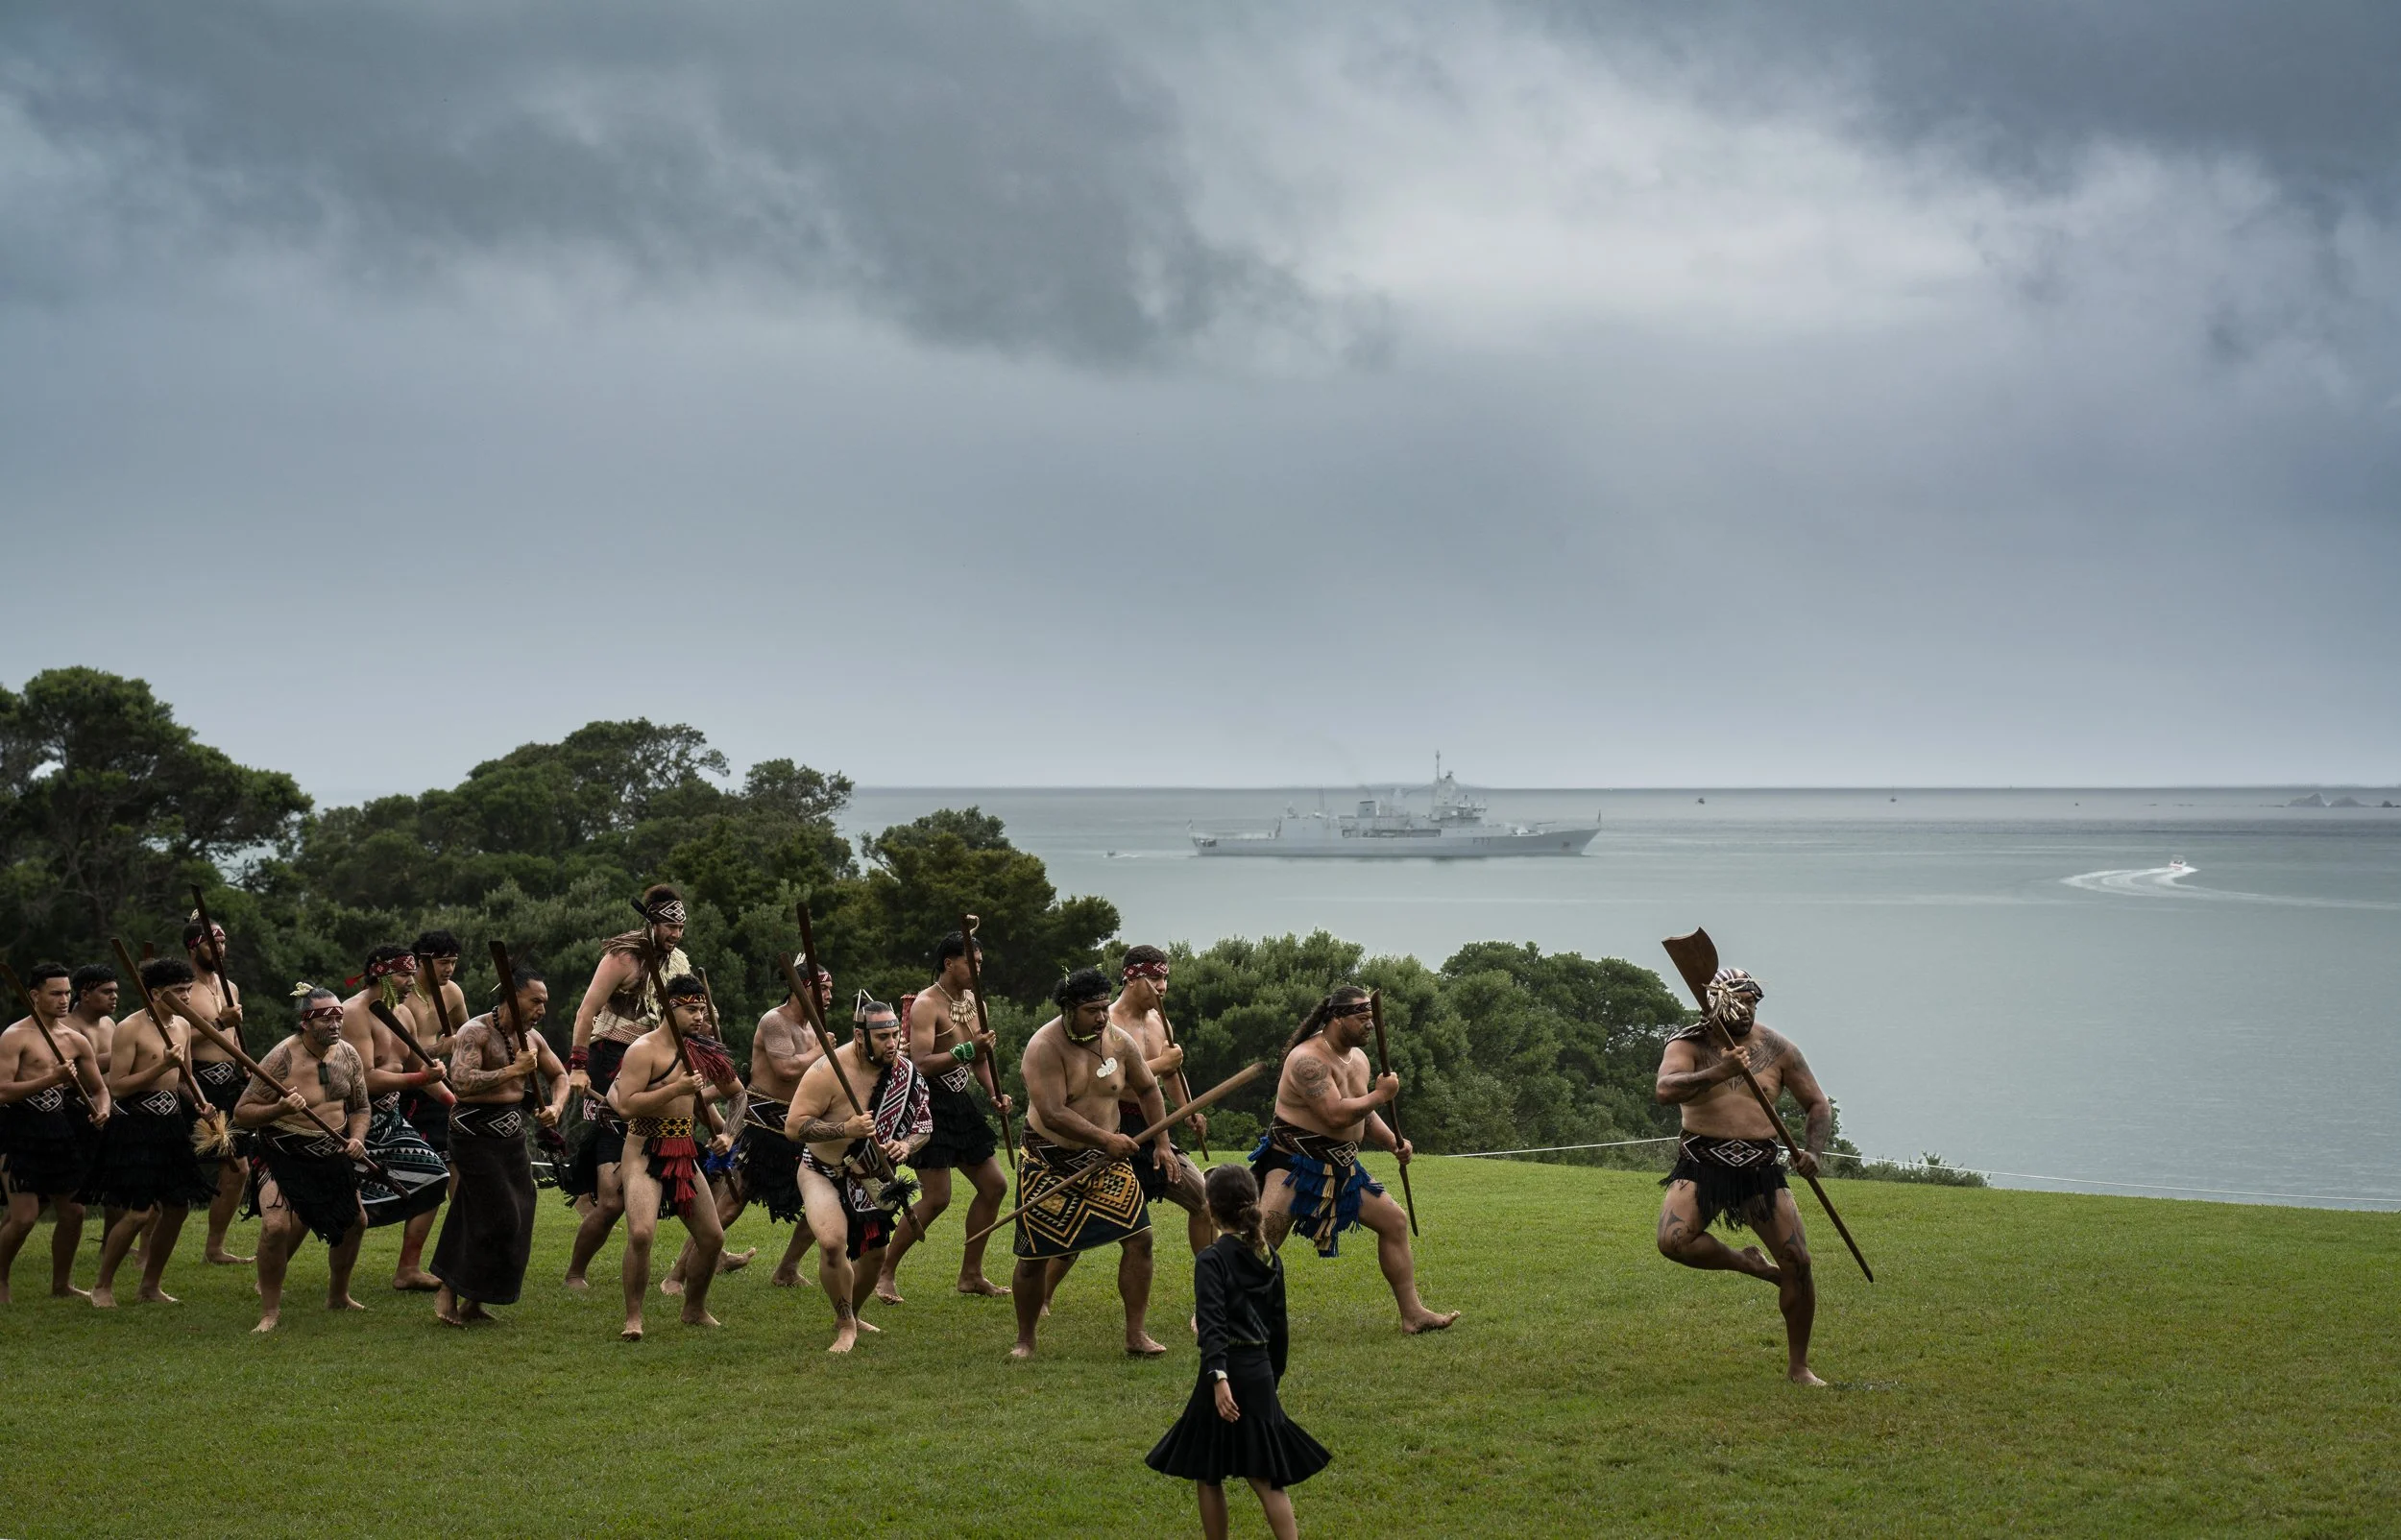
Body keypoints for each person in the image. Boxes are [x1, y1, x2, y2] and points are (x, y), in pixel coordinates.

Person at [1652, 965, 1833, 1386]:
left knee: (1799, 1263)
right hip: (1701, 1163)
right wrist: (1720, 1071)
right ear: (1716, 1004)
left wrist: (1813, 1153)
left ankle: (1799, 1367)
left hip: (1761, 1169)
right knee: (1673, 1242)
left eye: (1753, 1002)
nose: (1749, 1011)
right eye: (1740, 1003)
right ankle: (1748, 1264)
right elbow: (1665, 1090)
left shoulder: (1779, 1048)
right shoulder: (1689, 1043)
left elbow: (1818, 1105)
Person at [1253, 986, 1455, 1335]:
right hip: (1292, 1165)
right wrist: (1380, 1095)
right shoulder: (1308, 1061)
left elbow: (1361, 1113)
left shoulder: (1357, 1059)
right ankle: (1213, 1312)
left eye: (1372, 1020)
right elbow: (1334, 1115)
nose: (1370, 1027)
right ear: (1336, 1019)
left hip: (1342, 1168)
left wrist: (1394, 1142)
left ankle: (1413, 1314)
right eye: (1362, 1019)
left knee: (1394, 1222)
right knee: (1261, 1240)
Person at [1147, 1164, 1331, 1540]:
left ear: (1211, 1209)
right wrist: (1271, 1377)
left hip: (1223, 1375)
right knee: (1265, 1476)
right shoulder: (1270, 1259)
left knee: (1208, 1470)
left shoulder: (1211, 1259)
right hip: (1259, 1371)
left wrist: (1219, 1377)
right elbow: (1278, 1327)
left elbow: (1213, 1324)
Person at [1008, 967, 1169, 1360]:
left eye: (1104, 1008)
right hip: (1048, 1161)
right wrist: (1107, 1139)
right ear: (1068, 1009)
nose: (1101, 1017)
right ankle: (1025, 1339)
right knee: (1032, 1259)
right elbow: (1051, 1112)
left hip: (1104, 1161)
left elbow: (1148, 1088)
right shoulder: (1044, 1046)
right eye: (1091, 1010)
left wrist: (1162, 1142)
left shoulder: (1119, 1041)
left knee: (1140, 1238)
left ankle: (1136, 1335)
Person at [782, 993, 930, 1352]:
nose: (892, 1044)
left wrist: (906, 1146)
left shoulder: (906, 1073)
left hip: (872, 1176)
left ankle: (853, 1312)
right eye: (883, 1037)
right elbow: (794, 1127)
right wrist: (844, 1129)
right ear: (860, 1036)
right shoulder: (827, 1071)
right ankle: (845, 1322)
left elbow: (924, 1124)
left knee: (875, 1256)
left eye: (895, 1035)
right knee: (833, 1245)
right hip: (822, 1170)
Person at [562, 884, 691, 1291]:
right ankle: (575, 1273)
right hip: (610, 1060)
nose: (675, 934)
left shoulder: (679, 961)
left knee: (681, 1163)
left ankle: (707, 1248)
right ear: (651, 922)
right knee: (613, 1198)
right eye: (669, 926)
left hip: (657, 1063)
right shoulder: (623, 957)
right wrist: (579, 1067)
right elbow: (587, 1010)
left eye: (680, 927)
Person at [876, 929, 1015, 1304]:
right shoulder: (926, 1004)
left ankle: (971, 1275)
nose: (977, 969)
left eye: (981, 963)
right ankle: (883, 1272)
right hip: (927, 1103)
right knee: (937, 1198)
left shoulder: (973, 1000)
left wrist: (992, 1094)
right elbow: (921, 1062)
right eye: (972, 962)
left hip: (960, 1102)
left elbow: (982, 1059)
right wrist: (970, 1048)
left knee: (995, 1186)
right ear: (950, 962)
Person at [429, 967, 570, 1325]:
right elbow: (460, 1083)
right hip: (471, 1133)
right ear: (511, 996)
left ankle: (474, 1302)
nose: (541, 1009)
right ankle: (447, 1289)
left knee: (515, 1212)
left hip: (510, 1135)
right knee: (498, 1212)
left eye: (545, 1003)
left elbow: (560, 1076)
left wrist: (555, 1106)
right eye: (535, 1001)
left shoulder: (533, 1039)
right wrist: (513, 1071)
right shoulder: (474, 1031)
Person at [608, 974, 739, 1340]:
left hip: (683, 1150)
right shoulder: (643, 1050)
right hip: (644, 1151)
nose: (700, 1017)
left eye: (702, 1010)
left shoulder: (705, 1051)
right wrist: (674, 1089)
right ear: (670, 1007)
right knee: (641, 1233)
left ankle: (694, 1308)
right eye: (692, 1010)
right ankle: (633, 1317)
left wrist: (729, 1133)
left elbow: (738, 1095)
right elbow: (627, 1107)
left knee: (712, 1238)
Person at [234, 986, 371, 1334]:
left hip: (331, 1152)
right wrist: (279, 1108)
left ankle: (338, 1296)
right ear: (305, 1022)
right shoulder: (282, 1058)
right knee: (276, 1227)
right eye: (325, 1016)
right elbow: (242, 1114)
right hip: (282, 1152)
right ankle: (270, 1311)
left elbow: (360, 1107)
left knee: (356, 1222)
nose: (335, 1021)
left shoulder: (348, 1055)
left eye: (339, 1013)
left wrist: (356, 1138)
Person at [86, 957, 221, 1308]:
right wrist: (162, 1063)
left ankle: (150, 1286)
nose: (187, 998)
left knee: (177, 1208)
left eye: (188, 990)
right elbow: (118, 1087)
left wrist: (199, 1106)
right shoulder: (130, 1028)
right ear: (156, 993)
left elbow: (184, 1082)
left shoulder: (181, 1026)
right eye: (178, 992)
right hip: (134, 1127)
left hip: (170, 1125)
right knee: (139, 1212)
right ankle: (102, 1286)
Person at [708, 959, 827, 1291]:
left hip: (795, 1129)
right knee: (732, 1202)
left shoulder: (812, 1028)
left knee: (825, 1197)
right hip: (761, 1128)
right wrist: (820, 1050)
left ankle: (787, 1268)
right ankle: (679, 1274)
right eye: (822, 988)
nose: (828, 995)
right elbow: (786, 1069)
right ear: (800, 989)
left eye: (829, 988)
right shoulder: (775, 1021)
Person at [338, 946, 451, 1284]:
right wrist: (420, 1079)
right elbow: (366, 1079)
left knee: (434, 1177)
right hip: (349, 1123)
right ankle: (274, 1270)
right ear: (380, 973)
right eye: (403, 974)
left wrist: (453, 1103)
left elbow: (419, 1066)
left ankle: (408, 1270)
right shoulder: (354, 1013)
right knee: (318, 1204)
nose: (410, 981)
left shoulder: (402, 1015)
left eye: (411, 974)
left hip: (390, 1119)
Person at [0, 963, 111, 1302]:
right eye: (56, 993)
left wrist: (103, 1108)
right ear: (35, 996)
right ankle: (1, 1280)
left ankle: (61, 1284)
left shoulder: (75, 1040)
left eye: (67, 993)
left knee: (74, 1211)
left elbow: (99, 1089)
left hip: (58, 1130)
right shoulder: (14, 1037)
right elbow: (2, 1091)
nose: (65, 999)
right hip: (17, 1130)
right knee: (23, 1218)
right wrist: (51, 1079)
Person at [180, 916, 254, 1265]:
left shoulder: (230, 987)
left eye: (223, 942)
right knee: (175, 1170)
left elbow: (233, 1035)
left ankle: (214, 1248)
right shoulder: (180, 991)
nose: (221, 949)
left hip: (229, 1083)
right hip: (193, 1082)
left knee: (238, 1168)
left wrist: (242, 1059)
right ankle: (142, 1245)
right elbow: (174, 1038)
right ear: (194, 948)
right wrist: (220, 1022)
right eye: (213, 943)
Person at [67, 965, 120, 1075]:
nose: (114, 996)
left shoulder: (109, 1023)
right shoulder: (65, 1026)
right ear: (85, 995)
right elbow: (78, 1071)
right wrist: (126, 1051)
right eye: (107, 992)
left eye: (115, 991)